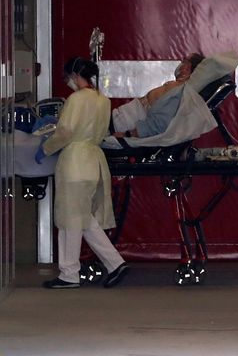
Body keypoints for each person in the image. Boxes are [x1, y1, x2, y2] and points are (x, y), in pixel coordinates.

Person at [38, 57, 130, 289]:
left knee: (70, 219)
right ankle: (115, 264)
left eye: (68, 76)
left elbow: (66, 130)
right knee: (83, 219)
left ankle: (69, 274)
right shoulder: (103, 100)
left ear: (75, 75)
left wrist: (46, 147)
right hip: (94, 161)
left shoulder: (76, 99)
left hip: (75, 163)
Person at [114, 52, 204, 139]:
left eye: (184, 61)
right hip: (121, 120)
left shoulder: (179, 92)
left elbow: (160, 123)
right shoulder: (178, 88)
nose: (181, 64)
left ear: (188, 67)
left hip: (122, 124)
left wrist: (129, 134)